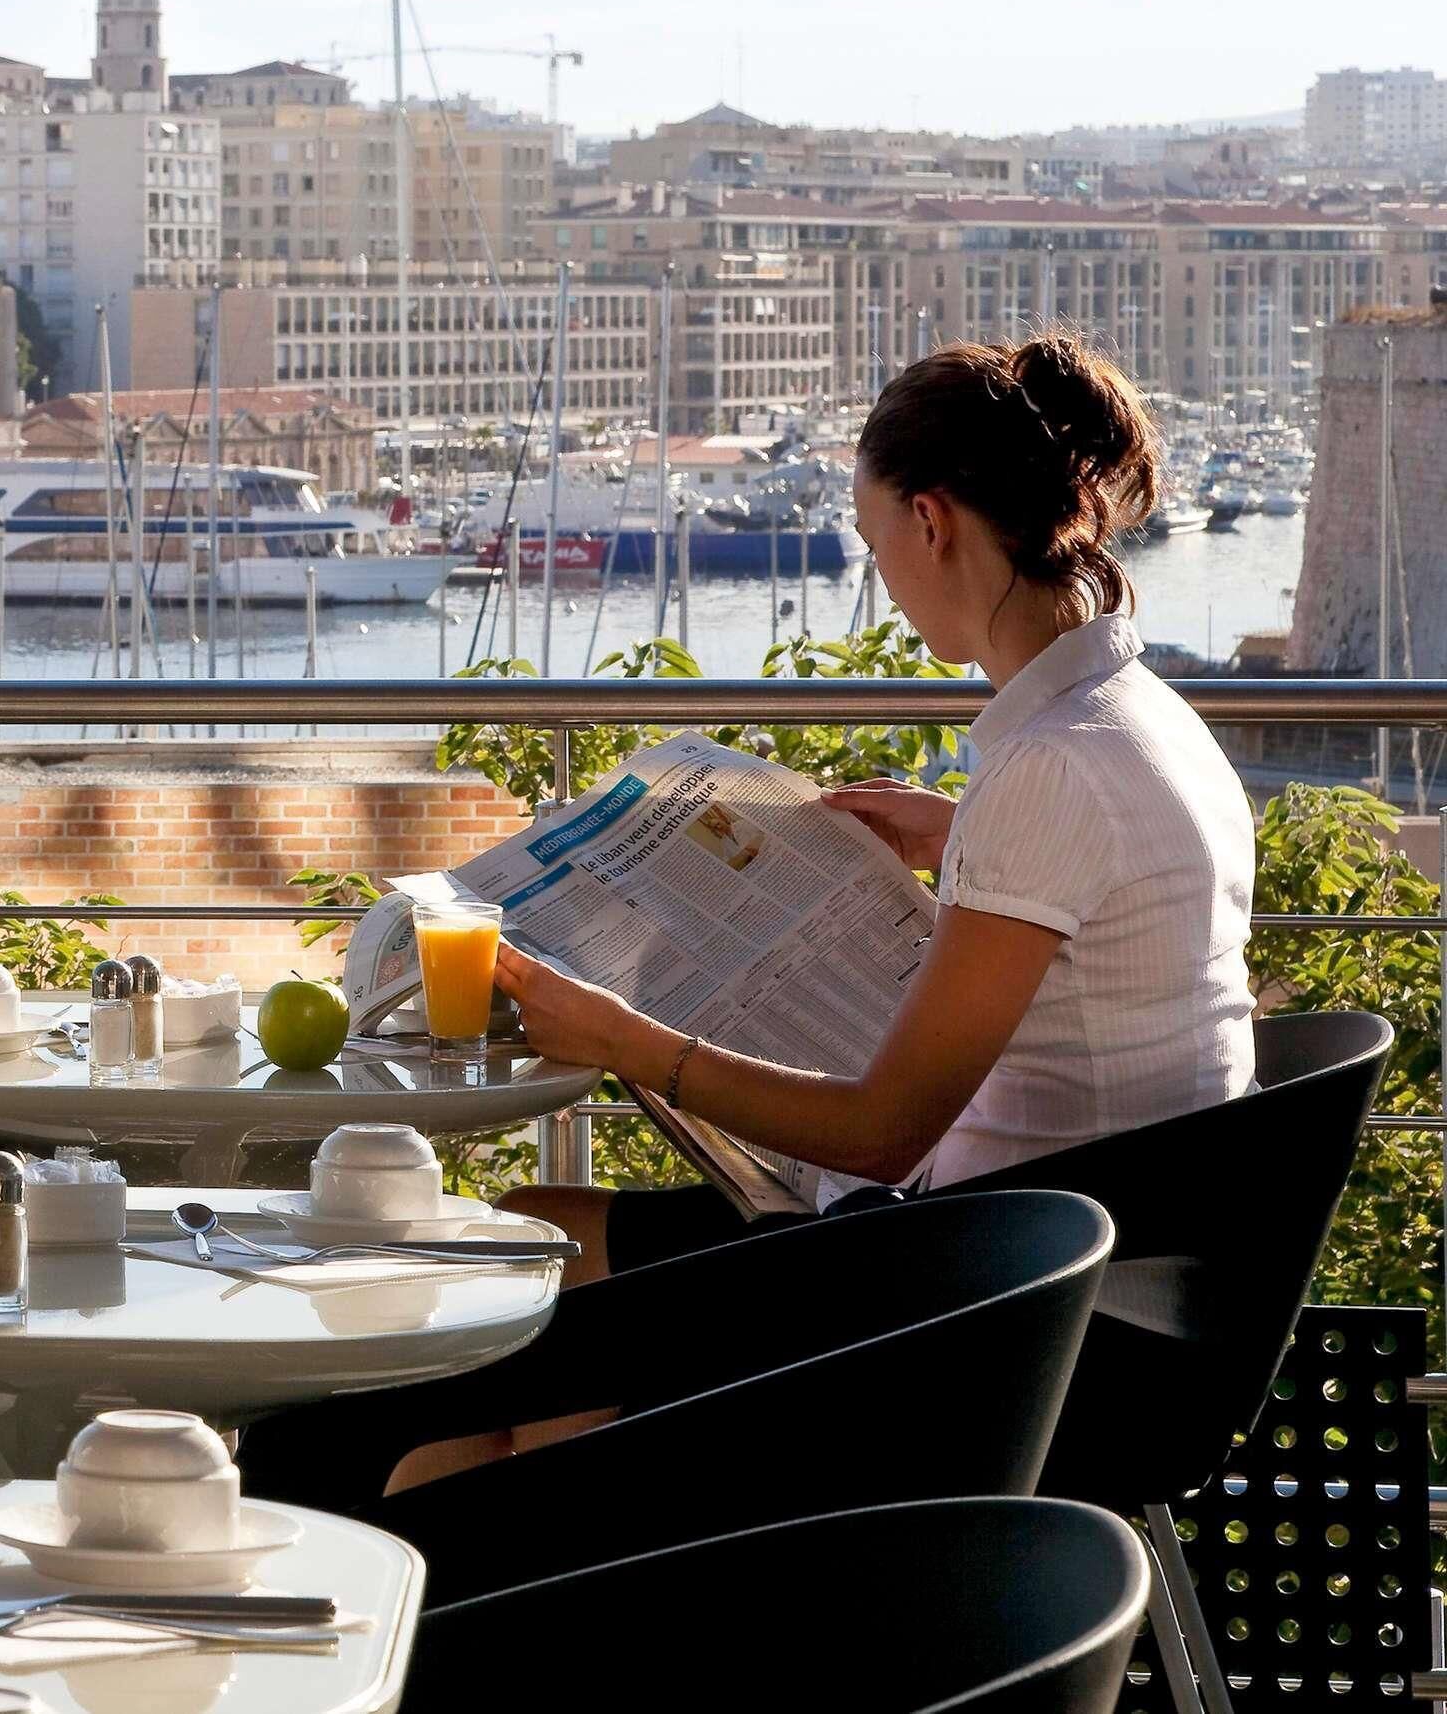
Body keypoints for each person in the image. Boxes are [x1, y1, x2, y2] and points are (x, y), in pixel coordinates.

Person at [496, 331, 1258, 1283]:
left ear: (930, 523)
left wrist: (627, 1041)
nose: (879, 576)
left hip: (992, 1283)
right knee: (538, 1291)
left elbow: (883, 1132)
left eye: (871, 539)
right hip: (1108, 1246)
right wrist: (960, 833)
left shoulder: (1047, 770)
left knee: (522, 1241)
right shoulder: (1141, 715)